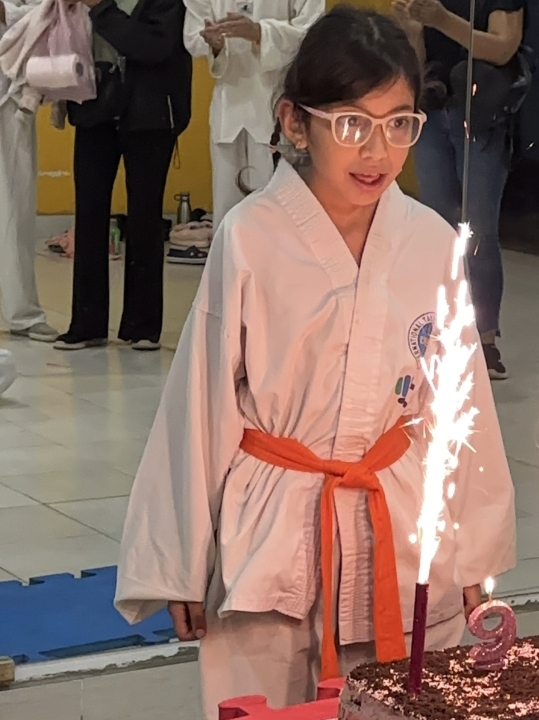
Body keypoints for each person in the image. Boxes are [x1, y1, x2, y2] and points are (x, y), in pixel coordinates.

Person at [113, 7, 516, 719]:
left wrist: (476, 552)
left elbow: (462, 407)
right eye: (352, 123)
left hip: (399, 519)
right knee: (264, 699)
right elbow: (201, 403)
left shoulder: (428, 241)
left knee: (407, 699)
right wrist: (179, 560)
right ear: (295, 122)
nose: (378, 151)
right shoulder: (251, 237)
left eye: (399, 123)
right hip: (273, 523)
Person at [392, 0, 524, 381]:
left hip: (481, 114)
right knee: (436, 229)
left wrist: (442, 20)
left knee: (479, 229)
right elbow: (413, 61)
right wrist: (412, 31)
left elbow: (503, 47)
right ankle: (438, 332)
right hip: (432, 111)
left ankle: (485, 338)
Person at [53, 0, 192, 351]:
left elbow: (152, 46)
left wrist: (100, 8)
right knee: (89, 214)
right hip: (94, 110)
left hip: (151, 115)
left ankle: (142, 326)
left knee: (145, 217)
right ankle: (87, 324)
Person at [183, 0, 324, 233]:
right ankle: (230, 256)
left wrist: (261, 33)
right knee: (228, 213)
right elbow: (193, 37)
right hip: (229, 108)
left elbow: (314, 33)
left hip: (276, 105)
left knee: (277, 211)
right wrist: (215, 44)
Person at [0, 0, 58, 343]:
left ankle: (23, 313)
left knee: (15, 210)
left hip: (10, 94)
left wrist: (6, 12)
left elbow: (48, 8)